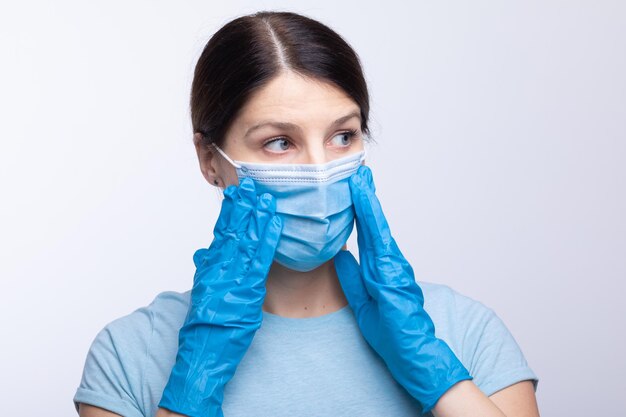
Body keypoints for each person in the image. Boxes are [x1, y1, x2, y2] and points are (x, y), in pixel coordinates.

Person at [73, 10, 540, 417]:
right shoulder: (130, 354)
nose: (320, 173)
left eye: (343, 137)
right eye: (279, 142)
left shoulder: (464, 330)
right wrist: (196, 383)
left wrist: (441, 381)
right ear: (209, 159)